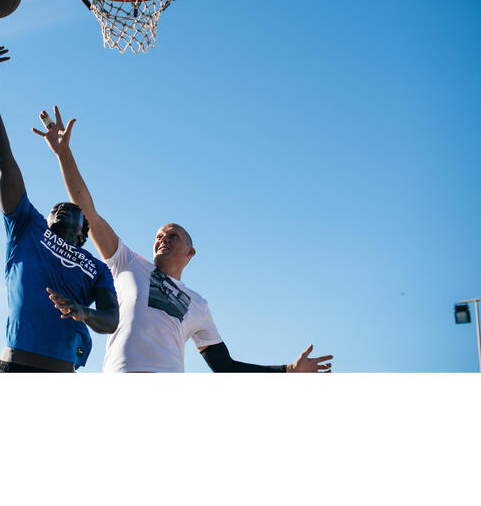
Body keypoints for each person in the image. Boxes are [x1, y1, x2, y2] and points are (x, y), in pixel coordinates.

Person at [34, 106, 334, 374]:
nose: (162, 239)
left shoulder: (198, 305)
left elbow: (225, 367)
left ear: (190, 252)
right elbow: (89, 210)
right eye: (158, 236)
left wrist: (288, 371)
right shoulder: (126, 263)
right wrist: (64, 154)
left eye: (172, 235)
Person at [0, 46, 118, 372]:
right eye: (56, 207)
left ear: (85, 228)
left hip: (60, 370)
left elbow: (111, 319)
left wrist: (83, 312)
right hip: (15, 364)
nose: (62, 208)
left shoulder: (96, 268)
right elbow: (3, 160)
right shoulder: (28, 227)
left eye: (71, 208)